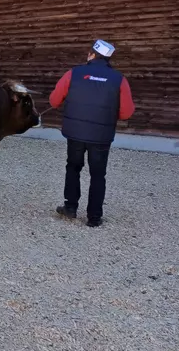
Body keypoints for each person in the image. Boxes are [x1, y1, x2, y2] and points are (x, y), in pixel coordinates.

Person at [49, 40, 135, 228]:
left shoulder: (74, 73)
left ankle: (70, 207)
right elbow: (126, 112)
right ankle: (94, 217)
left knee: (73, 167)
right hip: (101, 135)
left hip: (75, 133)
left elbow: (54, 100)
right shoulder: (119, 79)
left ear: (92, 55)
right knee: (98, 175)